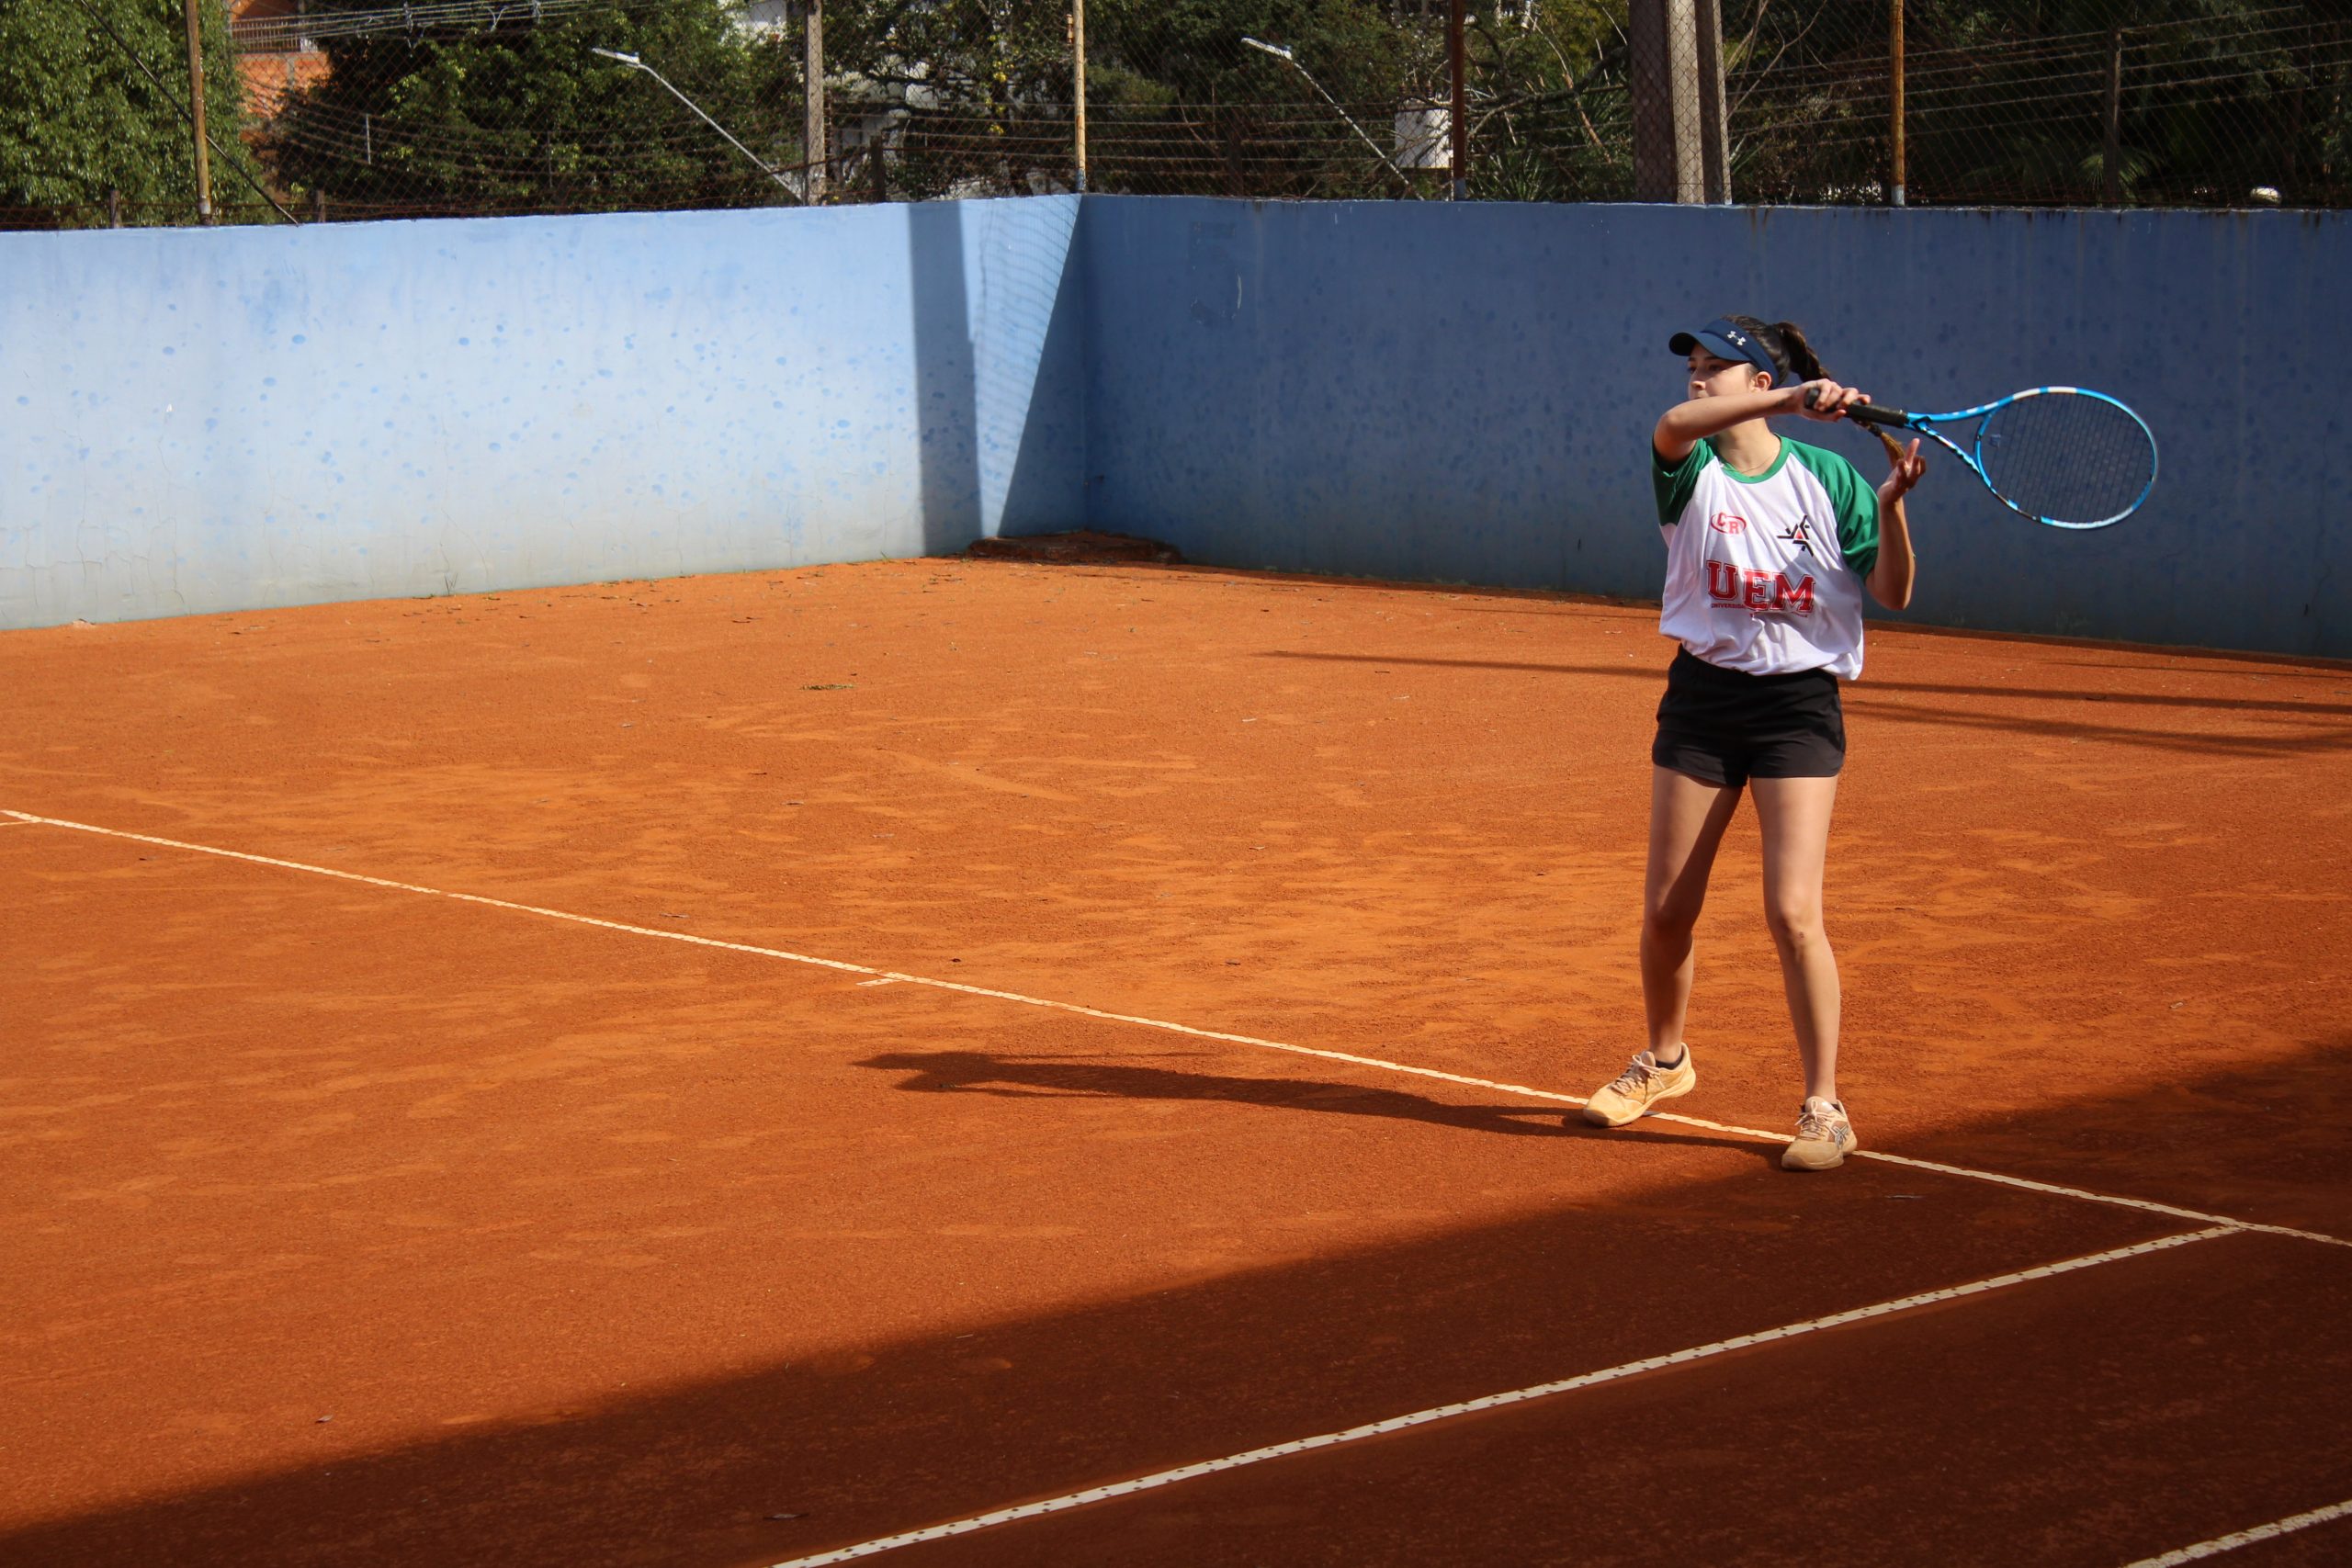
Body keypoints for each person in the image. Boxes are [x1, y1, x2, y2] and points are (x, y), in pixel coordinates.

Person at [1581, 315, 1925, 1170]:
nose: (1697, 381)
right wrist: (1800, 397)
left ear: (1758, 382)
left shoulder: (1829, 478)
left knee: (1793, 911)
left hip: (1797, 709)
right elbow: (1669, 426)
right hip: (1702, 700)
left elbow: (1894, 592)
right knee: (1668, 908)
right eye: (1693, 368)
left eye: (1715, 369)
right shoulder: (1687, 467)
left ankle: (1824, 1107)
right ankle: (1665, 1063)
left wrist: (1888, 509)